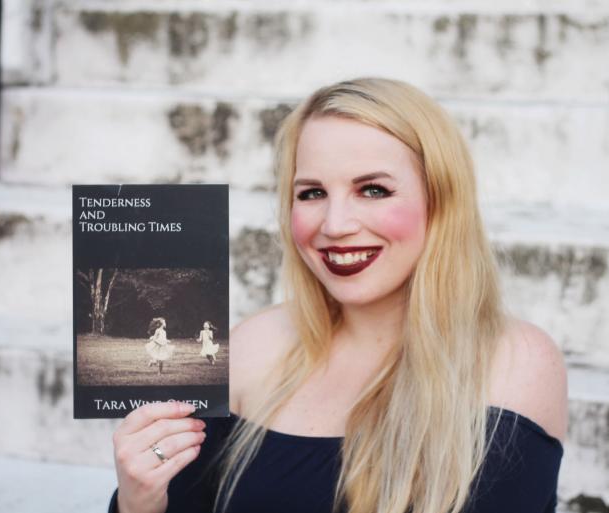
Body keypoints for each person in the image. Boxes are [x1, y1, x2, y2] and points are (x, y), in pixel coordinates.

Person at [109, 77, 568, 513]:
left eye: (372, 189)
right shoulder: (251, 346)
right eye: (311, 193)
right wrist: (139, 500)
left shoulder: (515, 361)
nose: (334, 225)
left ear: (441, 201)